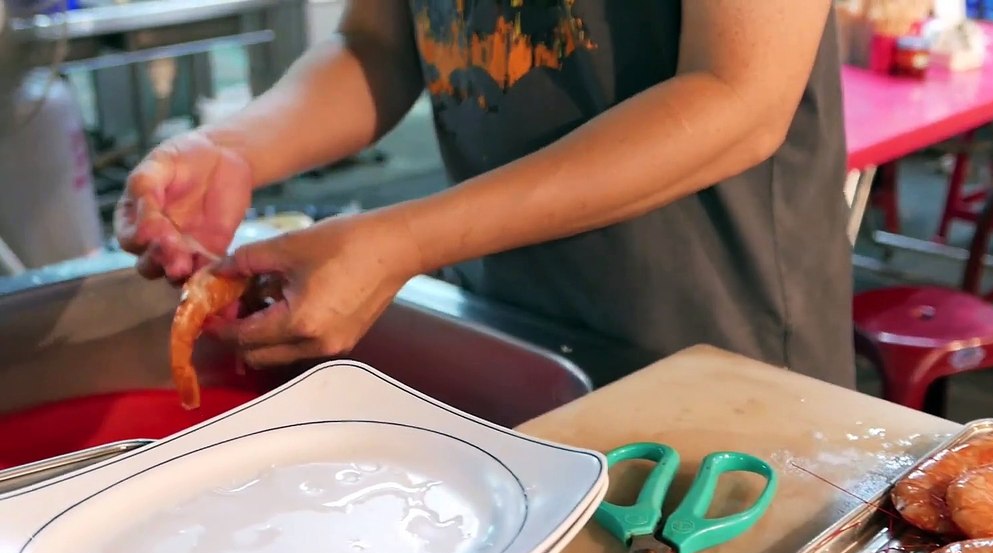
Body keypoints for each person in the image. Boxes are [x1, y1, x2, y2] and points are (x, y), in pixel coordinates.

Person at [113, 1, 856, 389]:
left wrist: (408, 239)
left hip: (723, 336)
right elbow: (378, 45)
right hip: (511, 324)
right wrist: (234, 149)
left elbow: (741, 97)